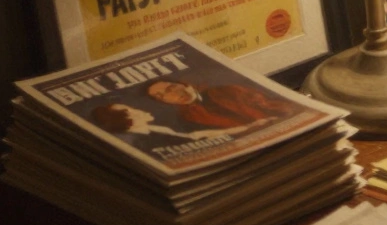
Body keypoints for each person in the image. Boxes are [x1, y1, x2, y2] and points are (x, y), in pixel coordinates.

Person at [144, 79, 299, 130]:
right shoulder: (187, 118)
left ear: (182, 84)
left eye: (170, 88)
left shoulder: (226, 89)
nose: (170, 95)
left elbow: (277, 106)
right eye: (161, 97)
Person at [90, 101, 249, 148]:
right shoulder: (136, 142)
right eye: (129, 109)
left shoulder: (154, 130)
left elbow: (194, 136)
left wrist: (248, 128)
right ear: (127, 121)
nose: (136, 108)